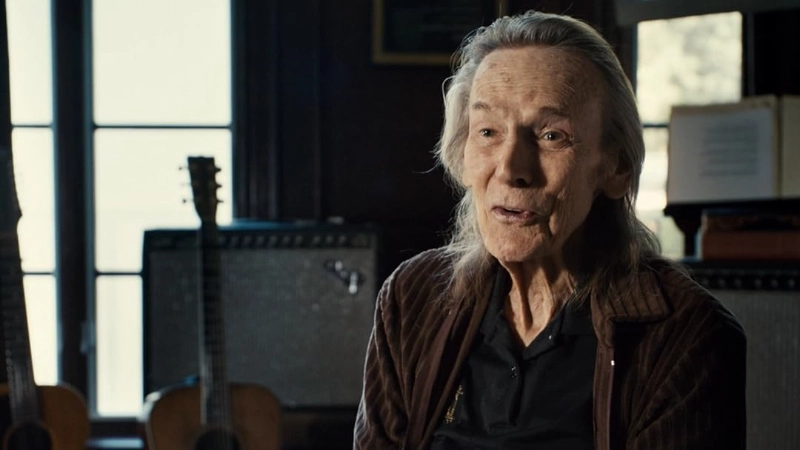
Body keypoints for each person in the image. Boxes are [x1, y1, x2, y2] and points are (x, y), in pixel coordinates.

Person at [354, 10, 746, 450]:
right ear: (462, 157)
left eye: (551, 136)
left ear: (615, 168)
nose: (511, 168)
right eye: (488, 131)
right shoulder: (412, 297)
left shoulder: (684, 334)